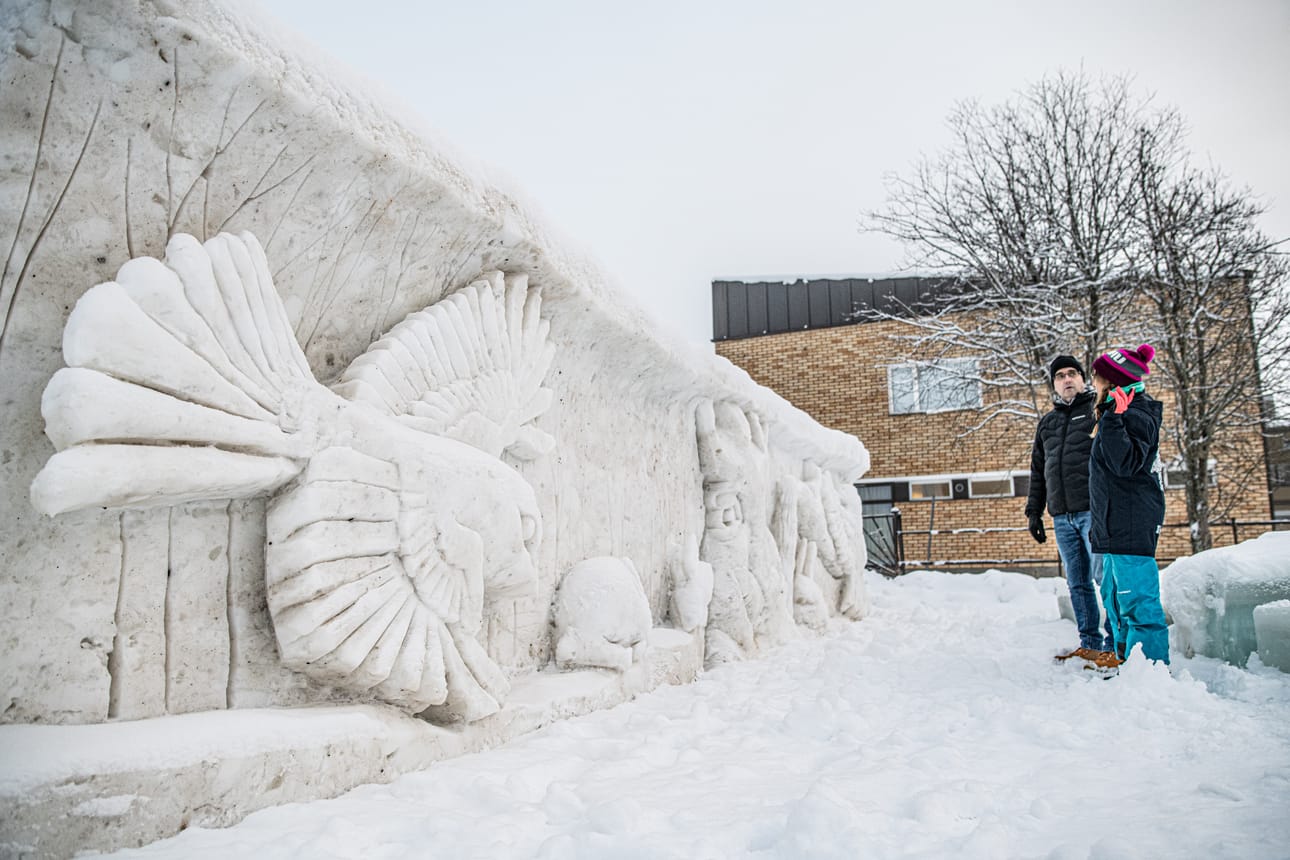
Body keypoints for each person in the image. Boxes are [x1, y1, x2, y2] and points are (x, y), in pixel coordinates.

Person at [1025, 355, 1111, 660]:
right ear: (1054, 384)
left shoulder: (1097, 410)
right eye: (1060, 376)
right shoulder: (1047, 423)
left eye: (1072, 373)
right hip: (1061, 516)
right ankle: (1090, 644)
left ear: (1083, 378)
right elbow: (1039, 470)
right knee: (1077, 583)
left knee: (1104, 580)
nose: (1067, 379)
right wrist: (1034, 511)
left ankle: (1113, 646)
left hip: (1092, 512)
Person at [1088, 344, 1169, 666]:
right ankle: (1127, 663)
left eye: (1097, 376)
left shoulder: (1135, 414)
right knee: (1116, 600)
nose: (1092, 382)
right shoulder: (1118, 413)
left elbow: (1126, 464)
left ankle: (1150, 671)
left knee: (1137, 602)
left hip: (1130, 522)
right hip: (1113, 524)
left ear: (1112, 381)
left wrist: (1114, 421)